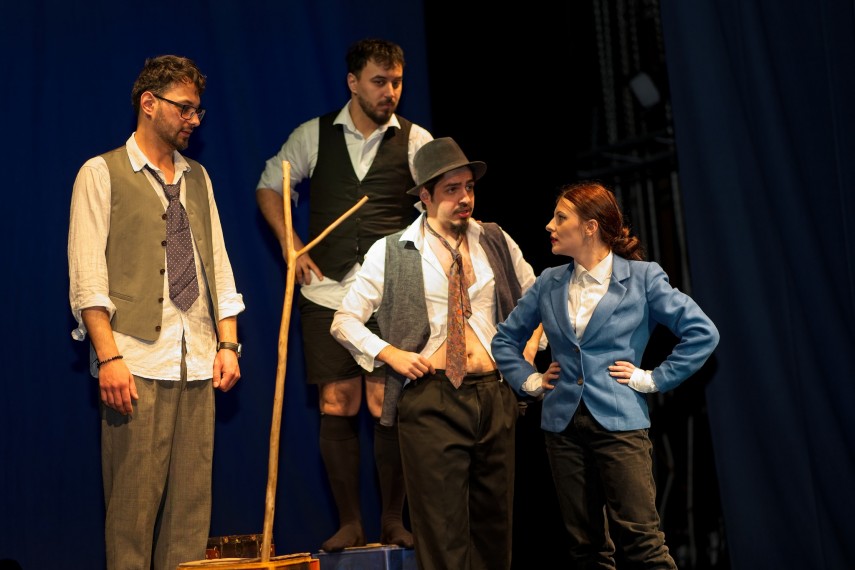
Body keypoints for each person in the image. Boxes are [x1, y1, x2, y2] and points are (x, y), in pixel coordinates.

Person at [68, 55, 245, 570]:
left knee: (190, 516)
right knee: (132, 517)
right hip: (137, 364)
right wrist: (109, 358)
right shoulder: (101, 173)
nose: (193, 120)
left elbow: (218, 266)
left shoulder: (198, 178)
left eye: (197, 111)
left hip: (198, 360)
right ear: (149, 103)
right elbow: (87, 279)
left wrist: (228, 343)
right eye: (184, 108)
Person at [331, 137, 542, 570]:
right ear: (425, 196)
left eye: (469, 187)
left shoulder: (494, 239)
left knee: (494, 530)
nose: (464, 198)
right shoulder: (393, 250)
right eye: (451, 189)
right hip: (432, 398)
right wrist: (389, 353)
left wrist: (528, 351)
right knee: (443, 534)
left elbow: (539, 300)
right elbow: (344, 320)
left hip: (494, 394)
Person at [255, 38, 432, 551]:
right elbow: (269, 185)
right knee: (337, 401)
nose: (390, 92)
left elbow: (440, 203)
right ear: (353, 83)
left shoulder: (416, 140)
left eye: (397, 82)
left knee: (384, 404)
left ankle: (392, 521)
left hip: (389, 295)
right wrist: (290, 245)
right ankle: (351, 522)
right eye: (379, 81)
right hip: (326, 292)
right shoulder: (313, 135)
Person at [491, 180, 720, 568]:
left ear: (590, 227)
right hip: (562, 427)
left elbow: (703, 333)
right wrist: (530, 381)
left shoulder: (642, 277)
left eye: (560, 217)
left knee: (643, 542)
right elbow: (504, 340)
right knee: (586, 548)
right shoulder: (549, 282)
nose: (549, 225)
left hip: (619, 422)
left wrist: (652, 379)